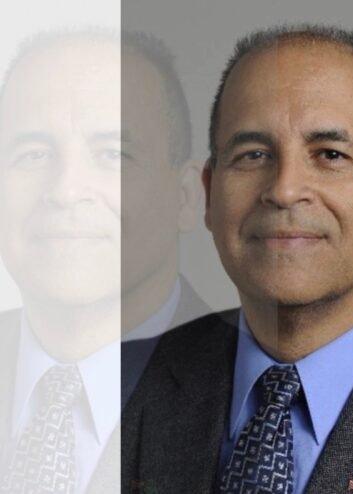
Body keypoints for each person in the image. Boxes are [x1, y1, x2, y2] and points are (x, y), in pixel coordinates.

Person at [123, 25, 353, 494]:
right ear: (209, 194)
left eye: (330, 155)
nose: (284, 190)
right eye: (253, 155)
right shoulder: (118, 385)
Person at [0, 30, 207, 493]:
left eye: (114, 154)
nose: (66, 190)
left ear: (185, 196)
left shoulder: (258, 398)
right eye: (33, 154)